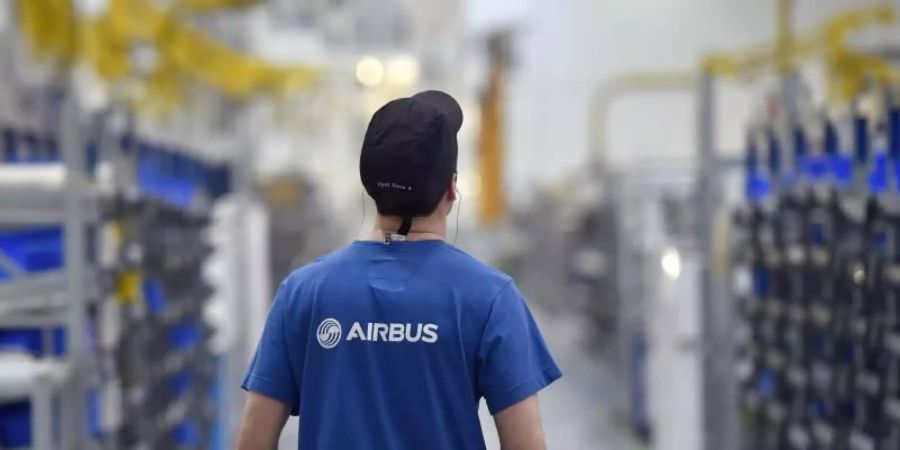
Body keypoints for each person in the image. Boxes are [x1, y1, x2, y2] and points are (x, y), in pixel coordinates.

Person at [236, 90, 561, 450]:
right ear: (451, 190)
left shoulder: (303, 292)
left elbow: (253, 441)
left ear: (369, 186)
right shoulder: (491, 298)